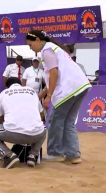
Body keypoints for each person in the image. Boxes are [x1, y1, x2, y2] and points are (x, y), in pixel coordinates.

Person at [26, 30, 91, 164]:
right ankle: (73, 154)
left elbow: (54, 73)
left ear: (37, 40)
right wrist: (42, 95)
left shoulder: (47, 50)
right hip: (80, 86)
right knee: (68, 122)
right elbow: (52, 77)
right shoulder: (55, 49)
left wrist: (48, 96)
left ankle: (55, 153)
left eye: (30, 45)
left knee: (56, 120)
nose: (31, 49)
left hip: (68, 90)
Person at [0, 77, 46, 169]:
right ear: (21, 84)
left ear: (7, 87)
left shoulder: (4, 93)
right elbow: (42, 116)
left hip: (13, 134)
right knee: (43, 129)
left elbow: (0, 120)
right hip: (35, 135)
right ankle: (32, 155)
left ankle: (8, 155)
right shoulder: (31, 91)